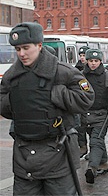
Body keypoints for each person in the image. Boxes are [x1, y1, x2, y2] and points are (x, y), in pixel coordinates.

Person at [0, 22, 94, 195]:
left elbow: (86, 97)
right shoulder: (12, 76)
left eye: (26, 48)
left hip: (58, 153)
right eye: (18, 49)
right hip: (24, 156)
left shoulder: (62, 71)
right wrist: (18, 100)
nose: (21, 54)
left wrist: (55, 94)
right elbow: (3, 104)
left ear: (39, 45)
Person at [82, 48, 108, 184]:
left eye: (96, 61)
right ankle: (103, 163)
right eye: (90, 61)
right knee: (97, 141)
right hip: (86, 115)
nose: (93, 63)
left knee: (96, 140)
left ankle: (92, 168)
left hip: (103, 115)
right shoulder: (80, 76)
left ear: (100, 61)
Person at [74, 46, 90, 158]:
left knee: (92, 129)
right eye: (81, 55)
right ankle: (83, 146)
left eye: (84, 55)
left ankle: (95, 151)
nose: (82, 58)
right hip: (80, 102)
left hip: (92, 103)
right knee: (80, 126)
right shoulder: (76, 69)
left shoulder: (93, 69)